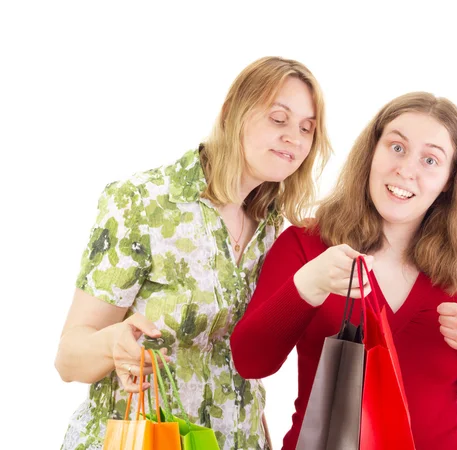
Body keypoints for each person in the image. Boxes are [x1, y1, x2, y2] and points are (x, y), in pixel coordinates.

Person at [54, 56, 332, 450]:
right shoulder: (143, 203)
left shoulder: (270, 222)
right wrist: (111, 344)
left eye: (307, 129)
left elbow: (239, 367)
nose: (295, 137)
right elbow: (68, 358)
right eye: (278, 118)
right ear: (230, 112)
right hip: (141, 440)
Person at [231, 92, 457, 449]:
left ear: (450, 179)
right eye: (397, 147)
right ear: (372, 151)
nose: (406, 170)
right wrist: (308, 286)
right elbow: (250, 362)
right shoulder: (306, 244)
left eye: (431, 160)